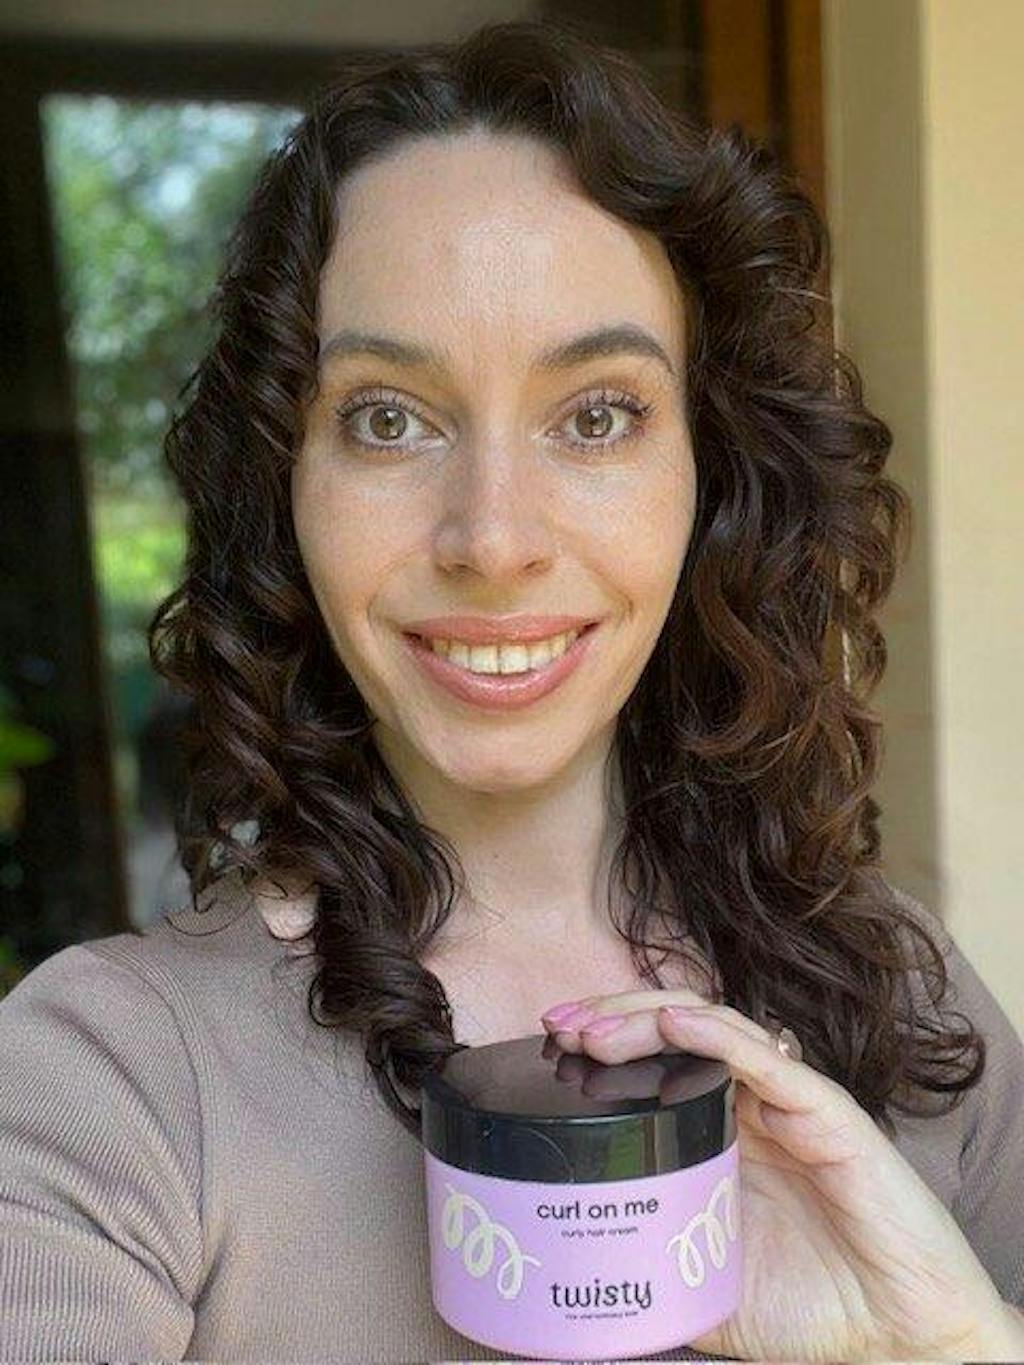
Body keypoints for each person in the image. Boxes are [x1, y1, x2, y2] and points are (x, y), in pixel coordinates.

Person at [1, 17, 1022, 1363]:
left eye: (596, 415)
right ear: (283, 489)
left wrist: (954, 1345)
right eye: (387, 417)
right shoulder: (106, 1078)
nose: (491, 538)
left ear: (712, 474)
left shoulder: (904, 997)